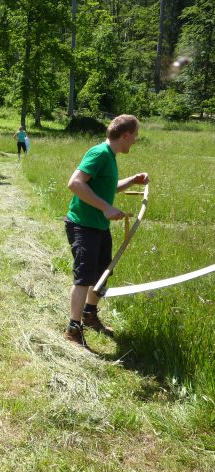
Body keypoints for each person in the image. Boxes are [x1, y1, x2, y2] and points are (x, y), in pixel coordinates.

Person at [64, 114, 149, 349]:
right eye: (135, 137)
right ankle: (73, 328)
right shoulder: (99, 153)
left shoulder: (110, 156)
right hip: (83, 225)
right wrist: (106, 207)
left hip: (98, 227)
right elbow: (75, 183)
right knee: (83, 278)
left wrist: (132, 180)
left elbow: (107, 187)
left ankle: (90, 315)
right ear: (125, 135)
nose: (135, 141)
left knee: (101, 275)